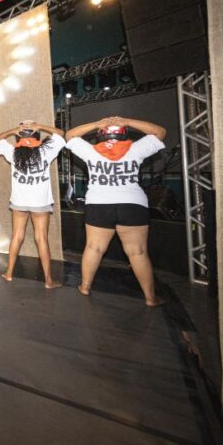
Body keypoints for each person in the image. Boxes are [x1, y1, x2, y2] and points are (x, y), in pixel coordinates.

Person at [65, 116, 167, 307]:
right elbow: (160, 132)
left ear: (101, 135)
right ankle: (150, 298)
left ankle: (85, 287)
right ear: (124, 133)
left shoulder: (92, 151)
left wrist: (96, 123)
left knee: (94, 248)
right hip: (132, 205)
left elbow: (70, 135)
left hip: (99, 204)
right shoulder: (135, 148)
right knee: (137, 252)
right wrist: (127, 121)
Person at [0, 120, 66, 289]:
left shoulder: (13, 152)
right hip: (40, 203)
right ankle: (48, 281)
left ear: (19, 137)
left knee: (16, 236)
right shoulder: (46, 150)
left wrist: (15, 130)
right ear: (37, 135)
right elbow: (61, 133)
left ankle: (9, 273)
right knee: (41, 239)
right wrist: (39, 126)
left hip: (19, 202)